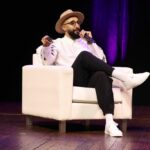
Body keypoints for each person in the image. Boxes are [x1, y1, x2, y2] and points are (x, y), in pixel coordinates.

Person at [38, 9, 150, 137]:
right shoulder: (57, 43)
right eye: (72, 23)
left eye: (78, 23)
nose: (77, 26)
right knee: (84, 55)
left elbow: (102, 61)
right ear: (63, 27)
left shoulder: (85, 43)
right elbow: (47, 62)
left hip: (87, 79)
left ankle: (109, 123)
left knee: (102, 76)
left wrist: (91, 42)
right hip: (70, 79)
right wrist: (46, 46)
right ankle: (124, 79)